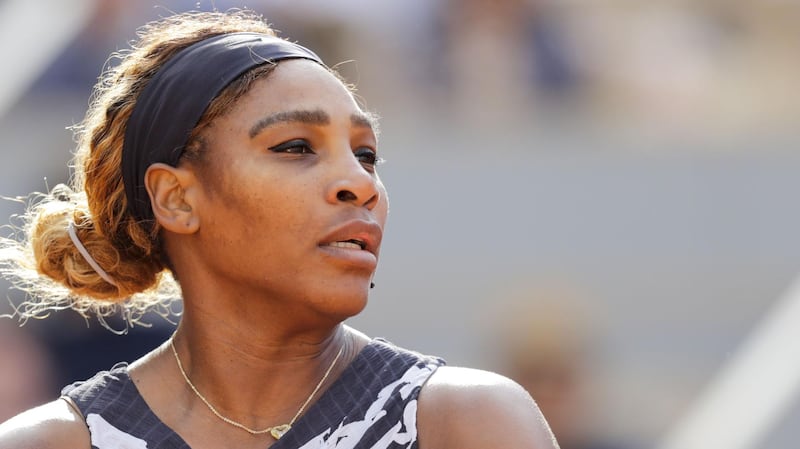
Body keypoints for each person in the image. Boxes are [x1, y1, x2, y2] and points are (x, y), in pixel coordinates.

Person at [0, 10, 559, 449]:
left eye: (366, 155)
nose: (359, 184)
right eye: (295, 147)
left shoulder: (469, 425)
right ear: (176, 198)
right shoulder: (50, 443)